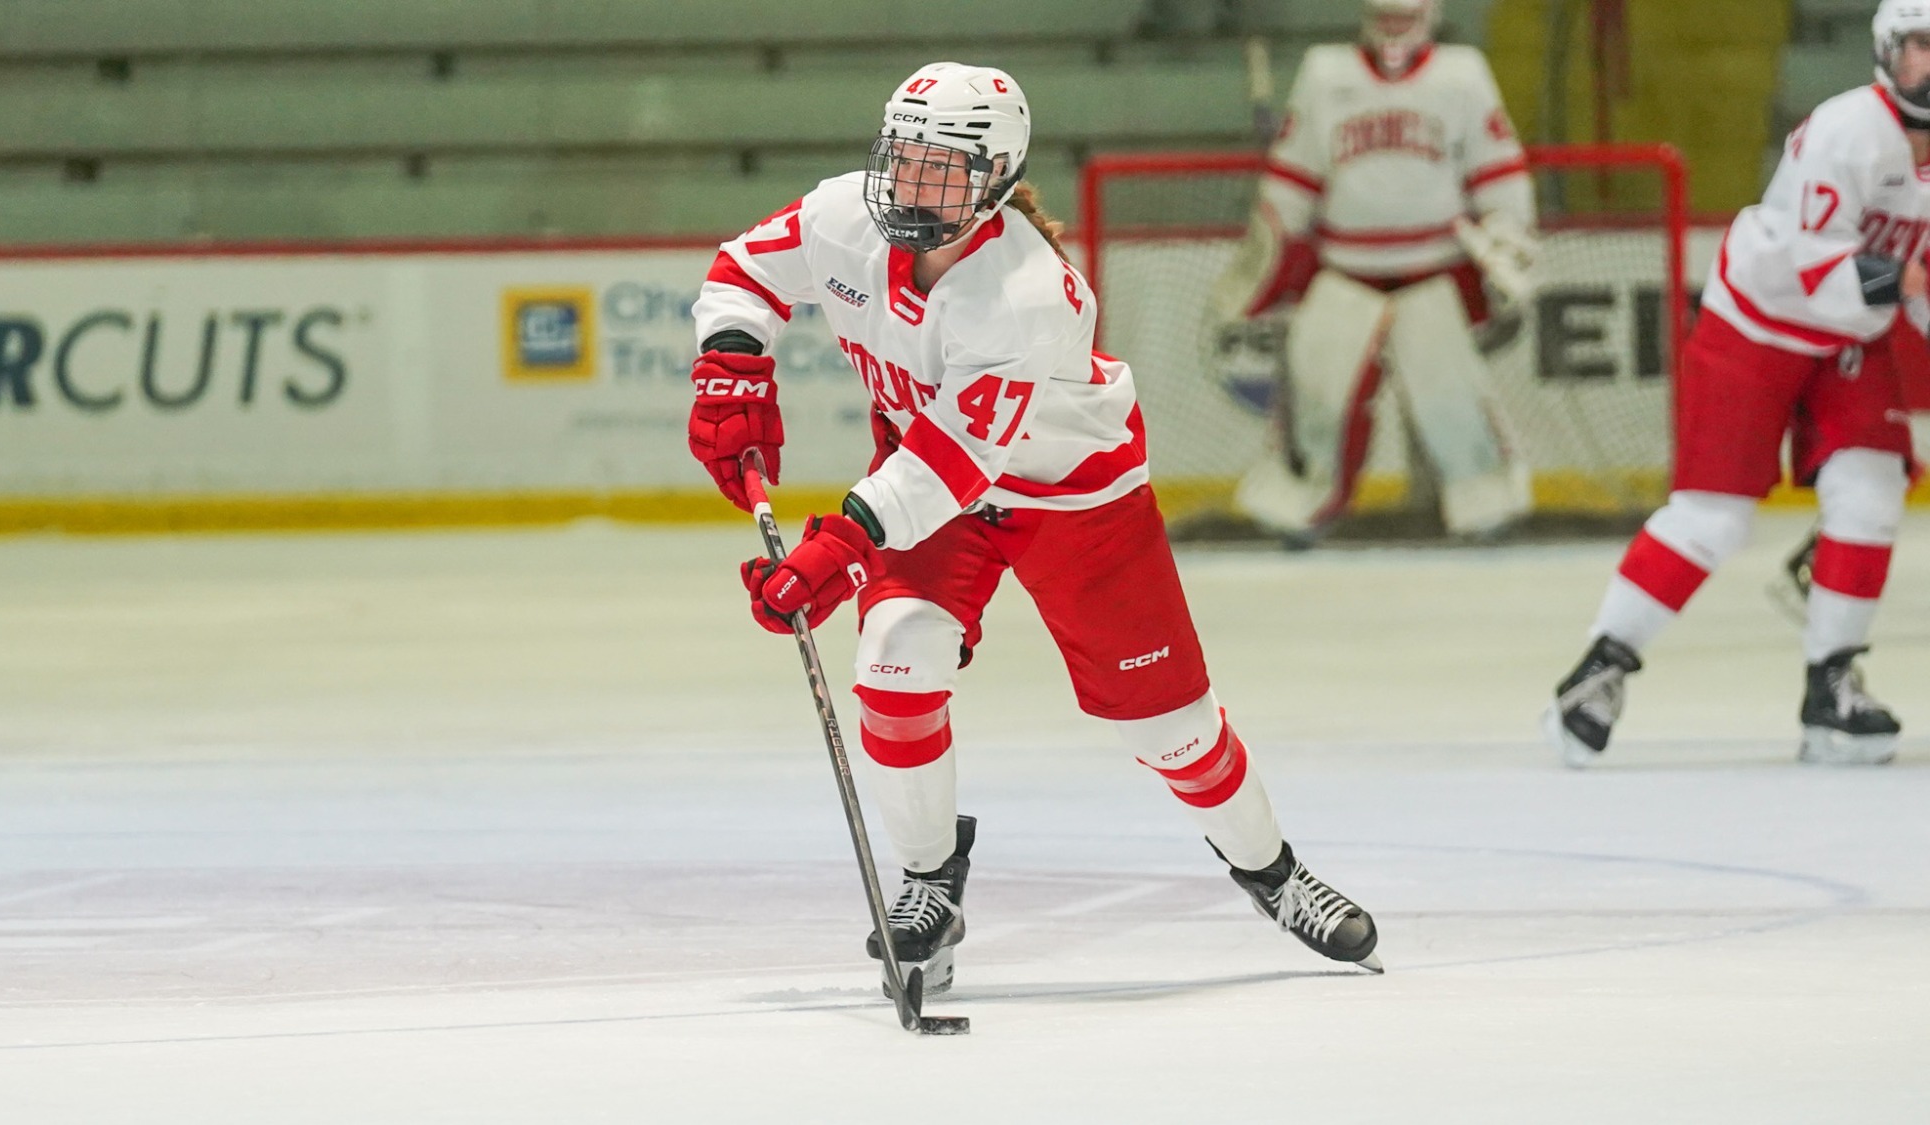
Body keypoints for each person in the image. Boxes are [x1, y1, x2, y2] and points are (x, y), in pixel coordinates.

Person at [687, 61, 1382, 992]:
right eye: (903, 158)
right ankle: (930, 884)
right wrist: (730, 367)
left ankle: (1273, 872)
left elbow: (955, 459)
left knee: (1172, 732)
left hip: (1073, 499)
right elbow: (744, 268)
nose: (911, 185)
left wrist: (841, 549)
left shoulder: (1024, 293)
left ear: (996, 181)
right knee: (895, 663)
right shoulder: (843, 216)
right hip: (932, 488)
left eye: (942, 169)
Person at [1544, 0, 1930, 769]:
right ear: (1887, 52)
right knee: (1712, 518)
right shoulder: (1847, 130)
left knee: (1870, 489)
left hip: (1848, 335)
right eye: (1923, 45)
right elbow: (1811, 261)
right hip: (1758, 323)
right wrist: (1902, 280)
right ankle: (1599, 667)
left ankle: (1831, 686)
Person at [1209, 0, 1539, 545]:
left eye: (1403, 17)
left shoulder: (1462, 75)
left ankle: (1486, 506)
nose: (1394, 29)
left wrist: (1508, 238)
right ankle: (1298, 506)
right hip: (1345, 269)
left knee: (1452, 399)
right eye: (1385, 16)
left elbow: (1498, 169)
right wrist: (1268, 252)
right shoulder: (1325, 73)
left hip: (1435, 269)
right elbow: (1295, 176)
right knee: (1316, 395)